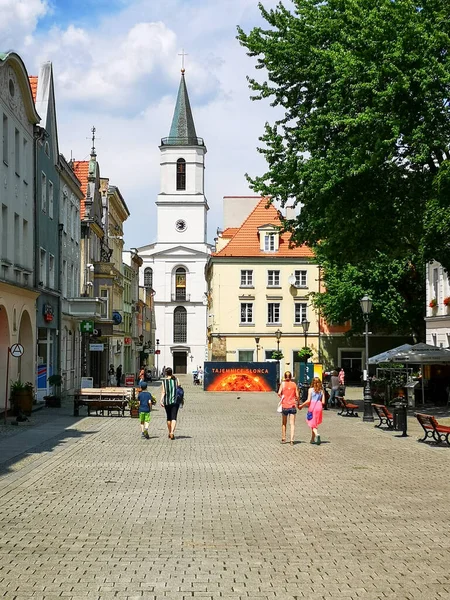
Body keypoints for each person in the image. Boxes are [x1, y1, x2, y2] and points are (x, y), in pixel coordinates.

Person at [299, 376, 325, 445]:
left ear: (312, 382)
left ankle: (317, 434)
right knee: (315, 423)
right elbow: (323, 402)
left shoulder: (310, 390)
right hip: (319, 407)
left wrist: (301, 405)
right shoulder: (321, 391)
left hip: (312, 407)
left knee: (311, 423)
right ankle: (312, 439)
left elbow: (308, 400)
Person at [277, 371, 300, 445]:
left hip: (285, 406)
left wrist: (282, 398)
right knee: (292, 424)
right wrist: (298, 403)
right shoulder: (294, 384)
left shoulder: (283, 384)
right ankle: (292, 440)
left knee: (284, 423)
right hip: (292, 405)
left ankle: (284, 438)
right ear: (291, 377)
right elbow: (297, 395)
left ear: (284, 376)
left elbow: (279, 393)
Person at [160, 367, 181, 440]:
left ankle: (169, 432)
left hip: (167, 401)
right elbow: (179, 389)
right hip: (175, 401)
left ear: (166, 373)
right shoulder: (176, 380)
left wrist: (161, 400)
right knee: (174, 417)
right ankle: (172, 432)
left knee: (168, 417)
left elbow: (163, 392)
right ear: (172, 372)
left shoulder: (164, 382)